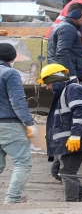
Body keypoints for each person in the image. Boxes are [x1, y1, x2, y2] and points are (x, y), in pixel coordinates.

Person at [41, 64, 82, 202]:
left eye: (47, 83)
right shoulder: (63, 93)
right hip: (65, 143)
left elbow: (80, 113)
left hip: (76, 141)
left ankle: (72, 204)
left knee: (67, 173)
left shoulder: (74, 89)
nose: (47, 87)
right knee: (57, 172)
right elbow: (64, 119)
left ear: (55, 79)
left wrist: (75, 136)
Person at [0, 43, 36, 204]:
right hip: (9, 124)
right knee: (23, 163)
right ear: (13, 57)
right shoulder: (10, 73)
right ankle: (12, 201)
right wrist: (29, 123)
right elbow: (17, 100)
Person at [47, 3, 82, 80]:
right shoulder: (67, 28)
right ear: (76, 14)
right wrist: (72, 76)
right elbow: (62, 52)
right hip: (64, 77)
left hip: (61, 76)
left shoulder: (64, 26)